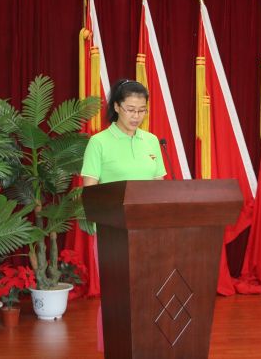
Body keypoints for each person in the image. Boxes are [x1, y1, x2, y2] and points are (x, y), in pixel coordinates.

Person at [80, 78, 166, 352]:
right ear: (116, 107)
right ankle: (113, 348)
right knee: (116, 295)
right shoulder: (99, 142)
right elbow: (90, 192)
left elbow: (160, 188)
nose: (136, 116)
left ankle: (145, 347)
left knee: (149, 291)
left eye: (141, 110)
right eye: (130, 109)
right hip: (111, 232)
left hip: (148, 231)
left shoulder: (151, 141)